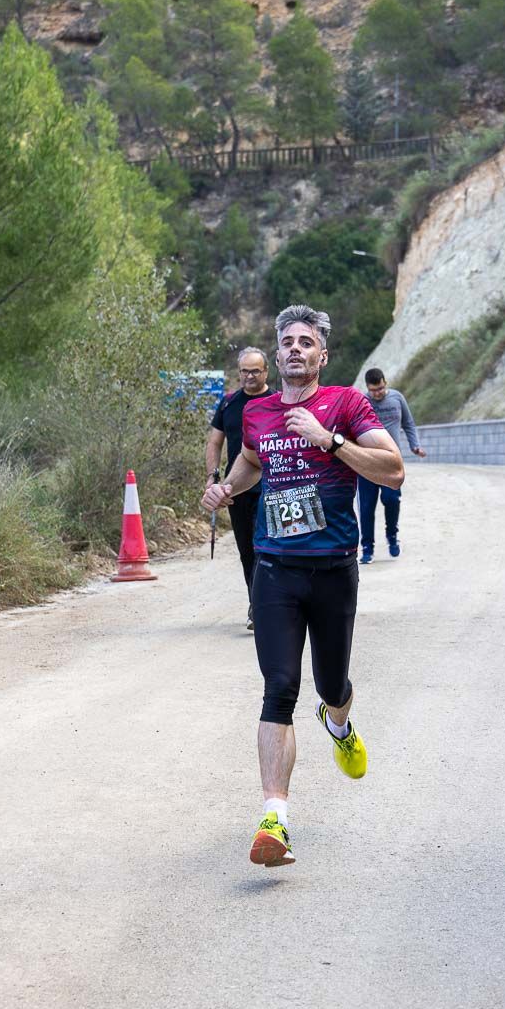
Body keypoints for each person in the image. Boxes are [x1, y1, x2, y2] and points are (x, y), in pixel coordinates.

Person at [201, 305, 404, 867]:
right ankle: (275, 820)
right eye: (286, 340)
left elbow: (392, 470)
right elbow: (249, 464)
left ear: (322, 355)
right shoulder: (258, 413)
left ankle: (337, 722)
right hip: (276, 569)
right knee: (279, 686)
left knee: (330, 683)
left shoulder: (347, 404)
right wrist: (226, 491)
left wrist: (330, 440)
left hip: (335, 568)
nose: (294, 348)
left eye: (305, 342)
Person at [206, 349, 274, 630]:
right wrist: (213, 477)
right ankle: (255, 605)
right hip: (237, 488)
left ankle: (263, 607)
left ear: (266, 372)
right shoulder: (229, 403)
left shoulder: (278, 401)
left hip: (271, 486)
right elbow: (214, 442)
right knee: (247, 550)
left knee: (265, 549)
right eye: (244, 371)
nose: (249, 376)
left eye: (255, 371)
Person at [358, 367, 426, 563]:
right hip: (367, 462)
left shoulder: (397, 398)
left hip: (391, 463)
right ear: (368, 388)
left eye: (380, 388)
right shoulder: (362, 402)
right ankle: (367, 549)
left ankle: (392, 537)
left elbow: (409, 423)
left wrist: (415, 445)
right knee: (366, 507)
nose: (377, 393)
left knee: (392, 500)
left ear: (385, 383)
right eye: (373, 390)